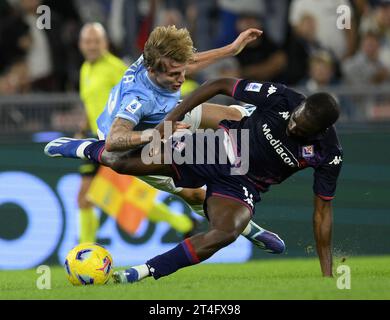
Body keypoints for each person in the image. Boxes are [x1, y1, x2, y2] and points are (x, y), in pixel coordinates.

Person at [45, 76, 343, 281]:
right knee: (122, 164)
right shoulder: (284, 98)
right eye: (293, 117)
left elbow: (322, 214)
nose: (292, 125)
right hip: (212, 148)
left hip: (244, 184)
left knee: (225, 232)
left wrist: (327, 275)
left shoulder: (328, 153)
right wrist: (171, 119)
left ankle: (145, 271)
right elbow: (220, 83)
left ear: (318, 131)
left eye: (300, 128)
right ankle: (83, 148)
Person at [44, 25, 286, 253]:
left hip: (165, 114)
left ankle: (277, 122)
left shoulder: (157, 60)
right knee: (193, 194)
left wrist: (230, 49)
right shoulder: (139, 97)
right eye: (173, 74)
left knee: (232, 114)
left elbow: (187, 62)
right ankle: (249, 230)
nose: (181, 79)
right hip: (133, 142)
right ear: (152, 71)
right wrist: (158, 134)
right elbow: (115, 140)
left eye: (181, 71)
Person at [77, 22, 128, 243]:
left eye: (96, 41)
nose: (91, 46)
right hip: (94, 139)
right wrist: (82, 127)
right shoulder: (84, 69)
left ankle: (84, 250)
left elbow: (133, 99)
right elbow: (90, 104)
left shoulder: (117, 67)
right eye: (88, 41)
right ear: (81, 44)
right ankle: (85, 249)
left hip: (115, 140)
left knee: (121, 199)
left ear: (105, 43)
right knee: (86, 198)